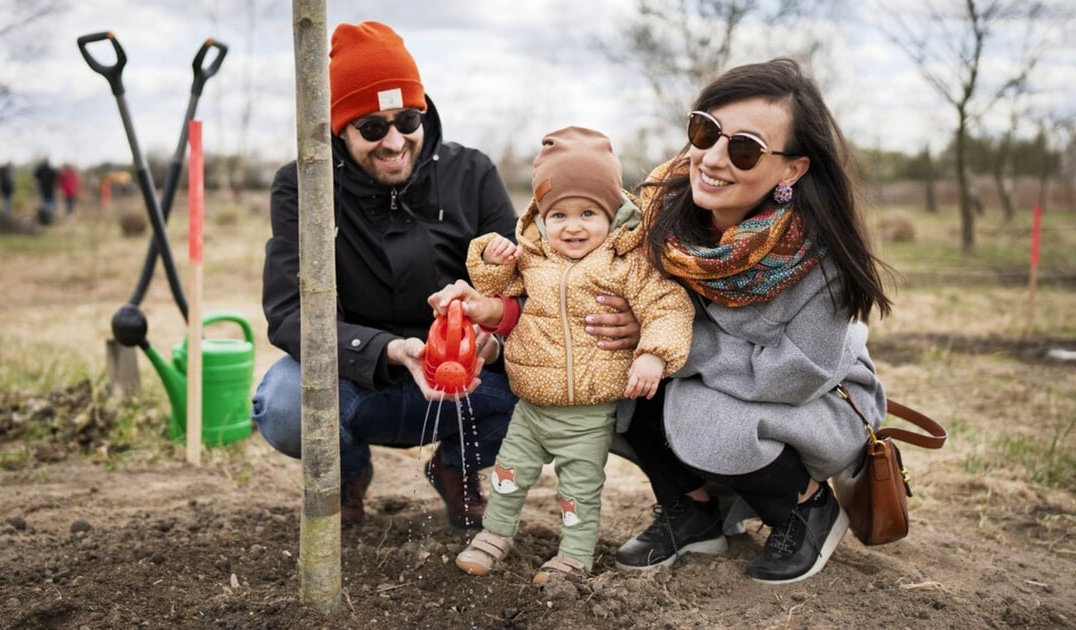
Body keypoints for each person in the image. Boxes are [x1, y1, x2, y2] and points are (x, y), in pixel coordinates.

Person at [251, 21, 640, 529]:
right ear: (338, 129)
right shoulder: (302, 186)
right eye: (371, 128)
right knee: (283, 405)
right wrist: (390, 351)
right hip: (356, 379)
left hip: (467, 379)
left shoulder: (471, 173)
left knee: (552, 387)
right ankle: (345, 473)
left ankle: (457, 468)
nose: (394, 141)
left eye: (407, 120)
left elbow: (527, 281)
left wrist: (493, 336)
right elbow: (287, 315)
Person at [613, 57, 894, 584]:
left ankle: (804, 509)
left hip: (814, 401)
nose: (713, 159)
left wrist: (677, 348)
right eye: (705, 131)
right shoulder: (661, 215)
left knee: (703, 413)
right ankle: (693, 511)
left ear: (792, 169)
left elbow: (797, 374)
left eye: (744, 149)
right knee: (602, 372)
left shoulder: (818, 255)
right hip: (719, 383)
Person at [448, 127, 694, 584]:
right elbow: (495, 293)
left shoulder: (627, 262)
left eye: (588, 212)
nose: (573, 225)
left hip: (587, 412)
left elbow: (668, 307)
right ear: (540, 216)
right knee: (508, 475)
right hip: (532, 406)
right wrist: (493, 258)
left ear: (614, 213)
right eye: (558, 213)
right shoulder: (531, 257)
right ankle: (494, 535)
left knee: (579, 490)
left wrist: (653, 355)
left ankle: (574, 557)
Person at [33, 158, 58, 225]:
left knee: (44, 204)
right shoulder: (51, 169)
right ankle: (48, 219)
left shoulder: (40, 168)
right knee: (50, 205)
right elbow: (55, 176)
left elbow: (35, 175)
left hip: (43, 190)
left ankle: (46, 219)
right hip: (49, 190)